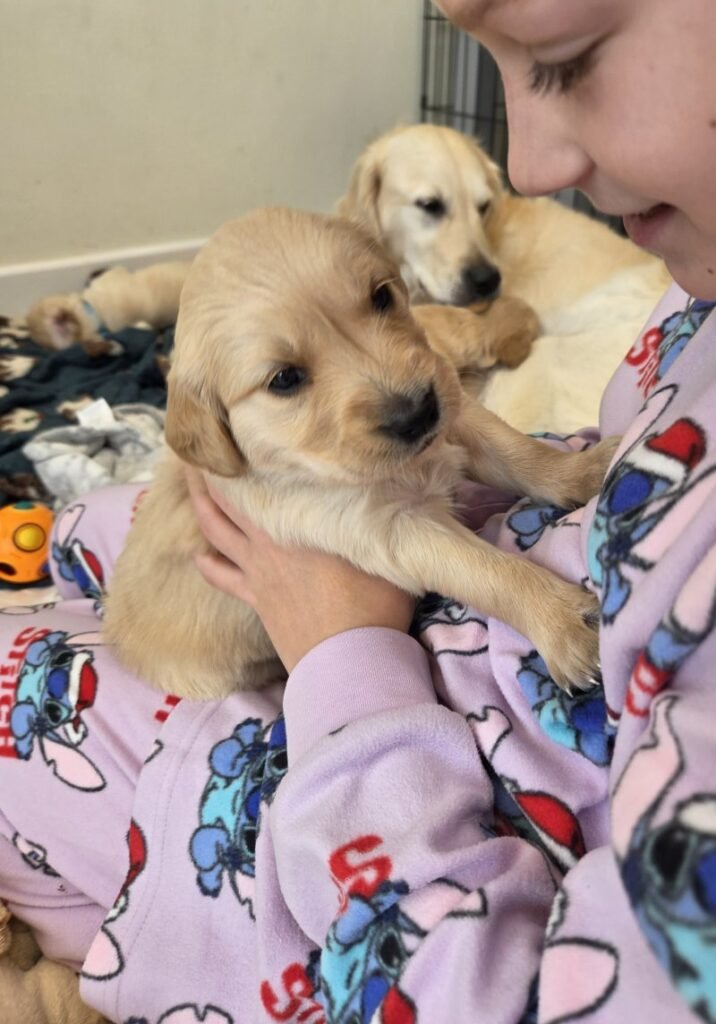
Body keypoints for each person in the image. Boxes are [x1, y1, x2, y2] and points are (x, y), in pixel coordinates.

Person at [1, 0, 716, 1020]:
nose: (527, 168)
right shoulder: (696, 290)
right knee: (104, 528)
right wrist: (553, 472)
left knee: (18, 668)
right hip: (370, 623)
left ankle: (98, 943)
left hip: (330, 757)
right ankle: (67, 547)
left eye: (566, 57)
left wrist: (343, 654)